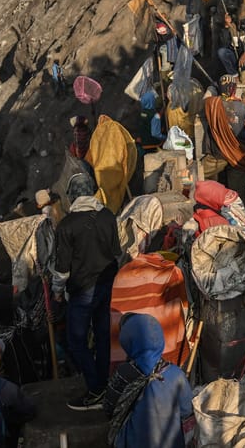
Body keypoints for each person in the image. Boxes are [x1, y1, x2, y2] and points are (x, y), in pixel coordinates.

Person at [54, 177, 121, 411]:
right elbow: (116, 253)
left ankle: (95, 389)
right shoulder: (108, 216)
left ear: (72, 196)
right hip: (107, 284)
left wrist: (57, 292)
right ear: (92, 193)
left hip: (82, 289)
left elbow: (61, 268)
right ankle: (103, 383)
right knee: (103, 336)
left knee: (76, 341)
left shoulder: (66, 225)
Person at [104, 314, 194, 447]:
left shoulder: (124, 373)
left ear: (127, 342)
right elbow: (186, 411)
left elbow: (109, 409)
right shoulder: (176, 374)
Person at [202, 75, 245, 194]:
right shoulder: (241, 106)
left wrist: (211, 88)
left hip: (218, 153)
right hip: (238, 154)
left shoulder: (212, 103)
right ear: (234, 88)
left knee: (201, 178)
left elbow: (205, 98)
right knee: (237, 192)